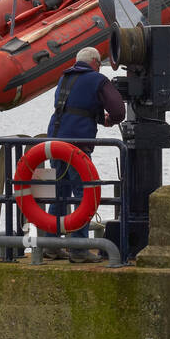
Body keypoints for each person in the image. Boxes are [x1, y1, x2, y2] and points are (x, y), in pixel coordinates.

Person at [43, 46, 126, 262]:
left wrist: (99, 117)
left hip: (56, 140)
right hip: (77, 144)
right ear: (96, 63)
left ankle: (50, 246)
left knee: (60, 192)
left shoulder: (65, 78)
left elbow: (76, 107)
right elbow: (118, 110)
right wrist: (111, 120)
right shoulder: (97, 79)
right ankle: (79, 249)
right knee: (83, 194)